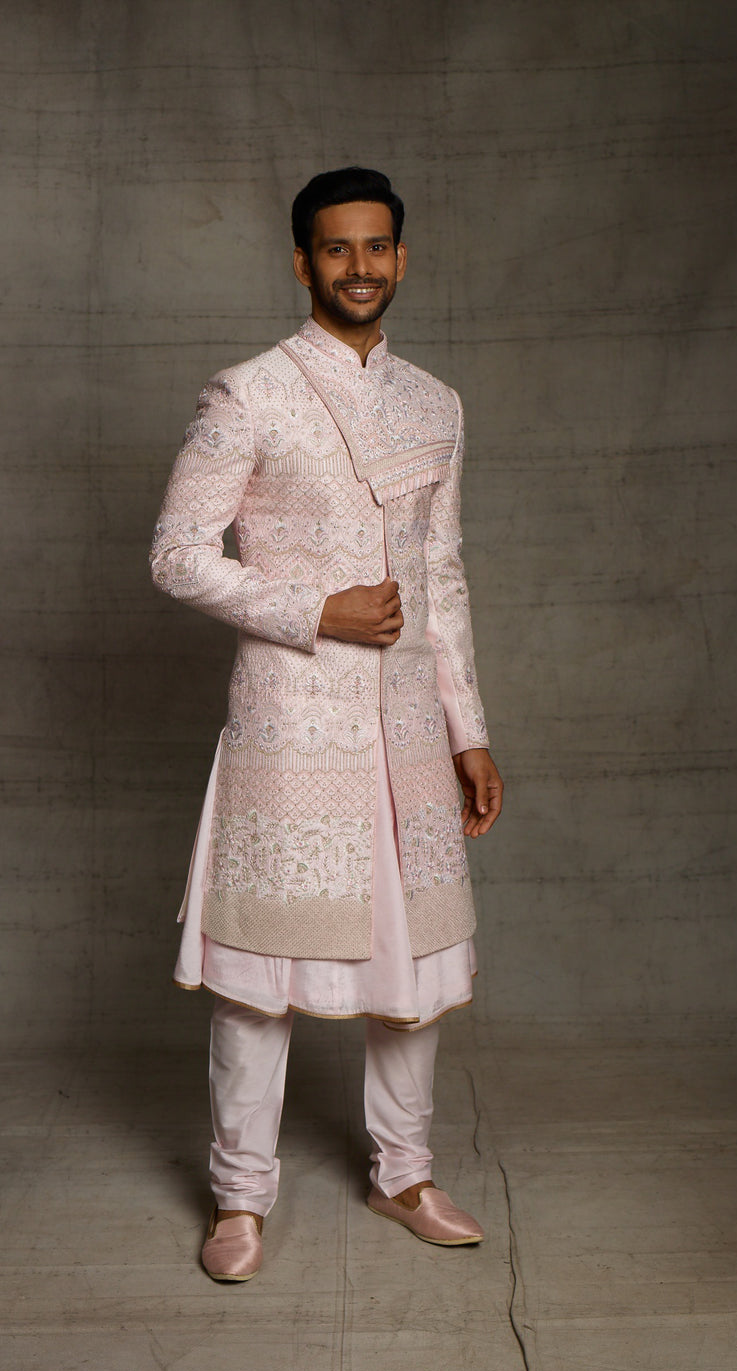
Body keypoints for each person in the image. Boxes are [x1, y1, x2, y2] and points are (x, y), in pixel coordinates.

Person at [150, 167, 503, 1281]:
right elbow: (175, 556)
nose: (360, 266)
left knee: (414, 974)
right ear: (303, 262)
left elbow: (440, 580)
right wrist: (317, 611)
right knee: (259, 980)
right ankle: (240, 1200)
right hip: (291, 724)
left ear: (402, 257)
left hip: (404, 729)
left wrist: (469, 731)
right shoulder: (247, 394)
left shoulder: (437, 403)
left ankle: (404, 1171)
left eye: (378, 246)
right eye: (337, 249)